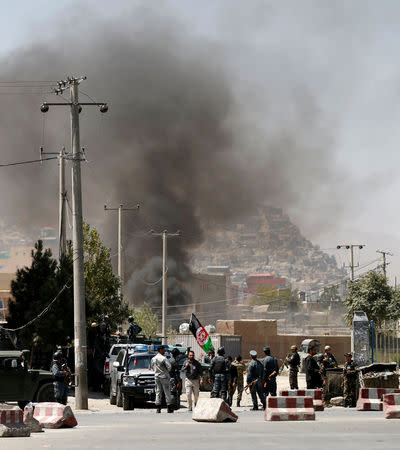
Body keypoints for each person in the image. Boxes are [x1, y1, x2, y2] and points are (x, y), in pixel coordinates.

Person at [150, 345, 173, 413]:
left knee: (158, 391)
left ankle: (158, 408)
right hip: (164, 376)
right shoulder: (164, 358)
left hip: (156, 376)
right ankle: (169, 407)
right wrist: (164, 371)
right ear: (160, 350)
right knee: (167, 392)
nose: (164, 351)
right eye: (163, 350)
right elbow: (169, 367)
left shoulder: (153, 358)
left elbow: (152, 367)